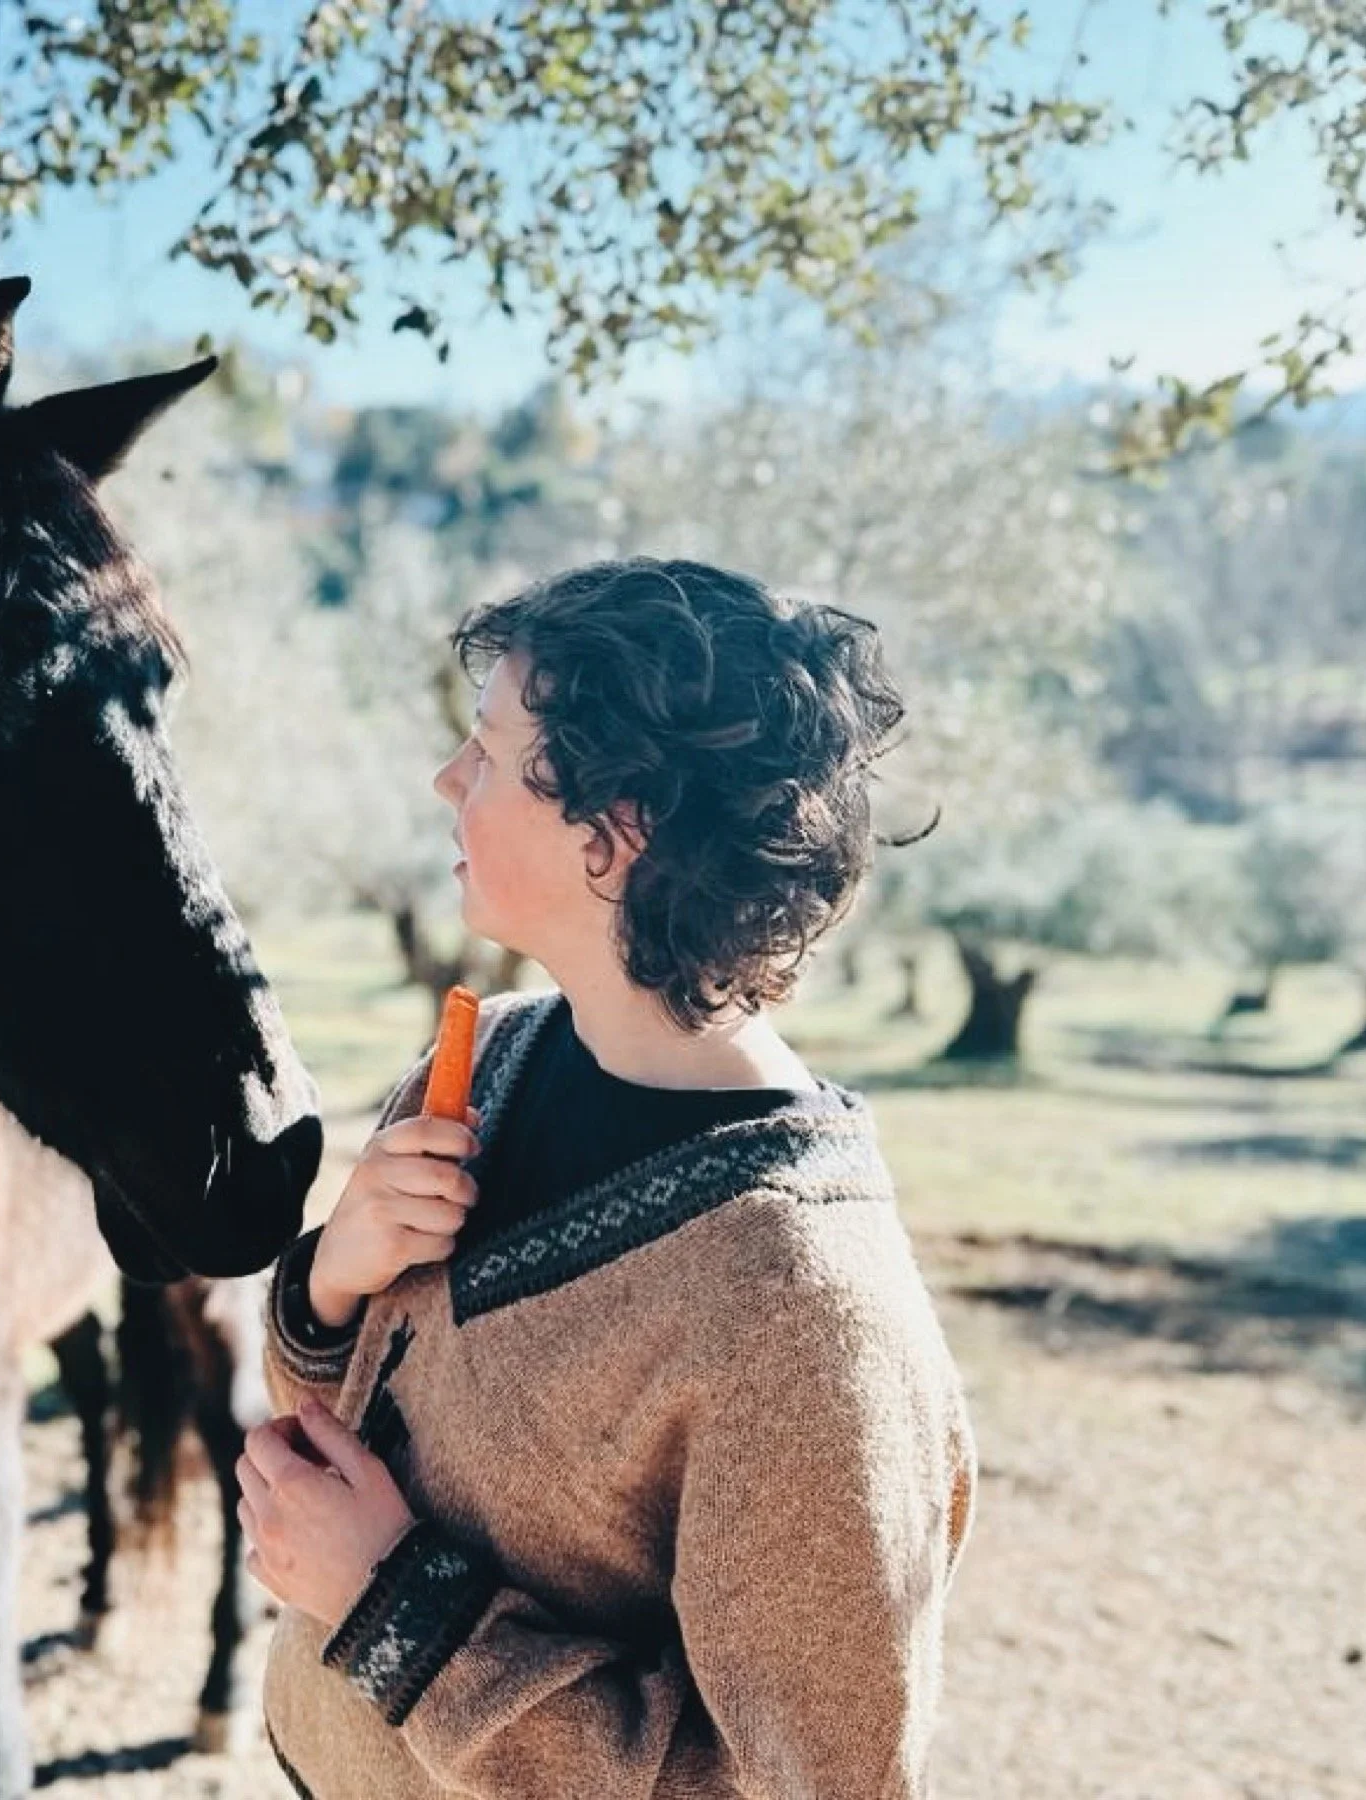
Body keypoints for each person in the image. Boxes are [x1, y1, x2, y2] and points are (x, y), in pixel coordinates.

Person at [241, 557, 978, 1799]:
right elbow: (345, 1413)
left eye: (484, 749)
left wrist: (389, 1607)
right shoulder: (491, 1060)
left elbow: (803, 1787)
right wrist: (327, 1282)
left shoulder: (807, 1318)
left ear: (615, 829)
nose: (446, 780)